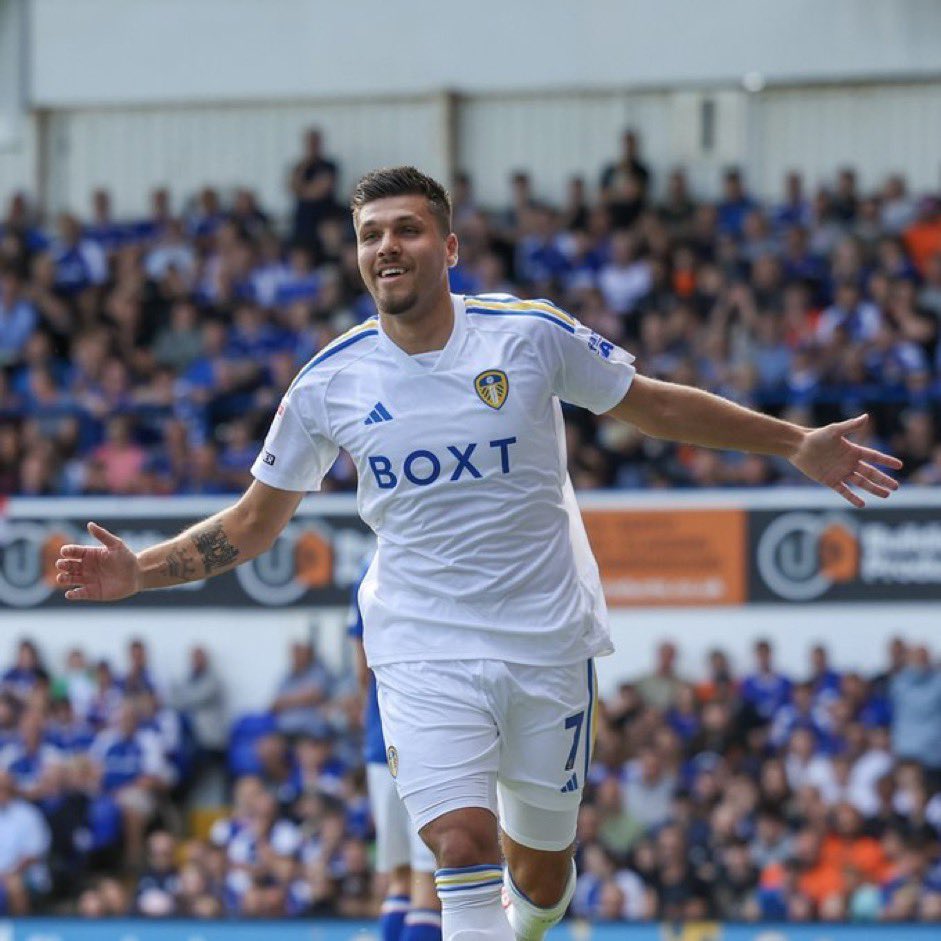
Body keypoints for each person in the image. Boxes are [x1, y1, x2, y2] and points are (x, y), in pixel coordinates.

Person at [55, 165, 901, 941]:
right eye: (371, 234)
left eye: (408, 229)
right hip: (421, 645)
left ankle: (528, 920)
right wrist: (141, 570)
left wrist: (794, 443)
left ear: (448, 247)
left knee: (540, 873)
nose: (388, 245)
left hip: (544, 639)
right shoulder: (326, 383)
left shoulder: (527, 336)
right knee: (459, 840)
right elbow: (251, 523)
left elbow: (652, 407)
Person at [348, 560, 441, 941]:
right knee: (428, 886)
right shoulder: (437, 560)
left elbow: (361, 672)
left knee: (398, 879)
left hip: (380, 740)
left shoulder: (366, 572)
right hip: (434, 740)